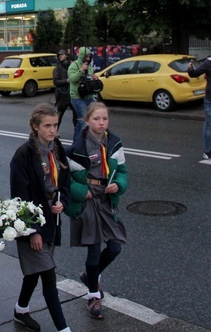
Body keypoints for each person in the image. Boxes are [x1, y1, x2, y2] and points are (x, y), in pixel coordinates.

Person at [9, 103, 71, 332]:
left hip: (52, 222)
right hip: (34, 227)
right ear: (35, 127)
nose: (52, 130)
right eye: (47, 126)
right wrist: (32, 230)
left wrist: (62, 201)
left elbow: (65, 181)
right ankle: (63, 328)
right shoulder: (23, 155)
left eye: (55, 125)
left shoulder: (57, 149)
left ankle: (20, 310)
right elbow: (20, 197)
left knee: (35, 272)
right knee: (48, 276)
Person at [66, 102, 128, 320]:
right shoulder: (77, 147)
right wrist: (83, 191)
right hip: (89, 197)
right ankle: (93, 295)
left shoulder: (114, 142)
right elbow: (65, 180)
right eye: (96, 119)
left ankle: (90, 275)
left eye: (105, 119)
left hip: (106, 197)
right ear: (87, 121)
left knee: (114, 247)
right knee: (93, 248)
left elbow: (122, 171)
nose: (101, 123)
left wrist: (118, 185)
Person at [68, 47, 100, 120]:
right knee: (84, 120)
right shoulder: (74, 65)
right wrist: (81, 70)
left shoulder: (89, 66)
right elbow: (72, 79)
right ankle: (82, 131)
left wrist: (93, 77)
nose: (88, 59)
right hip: (77, 97)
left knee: (90, 118)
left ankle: (79, 131)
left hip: (89, 96)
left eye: (89, 57)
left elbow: (90, 76)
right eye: (86, 57)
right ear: (82, 56)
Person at [53, 49, 77, 131]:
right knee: (60, 113)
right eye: (59, 55)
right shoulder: (57, 68)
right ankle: (55, 130)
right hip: (62, 94)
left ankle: (77, 130)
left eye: (62, 54)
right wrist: (66, 81)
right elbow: (55, 82)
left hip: (72, 93)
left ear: (66, 55)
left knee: (76, 112)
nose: (60, 56)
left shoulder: (72, 66)